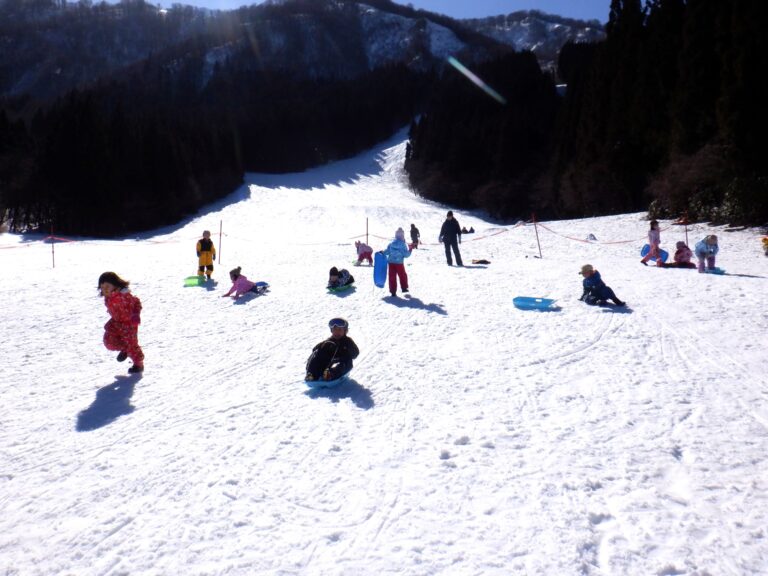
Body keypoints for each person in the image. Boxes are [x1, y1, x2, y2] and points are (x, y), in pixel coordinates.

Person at [98, 271, 144, 373]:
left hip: (129, 323)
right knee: (108, 342)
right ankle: (125, 349)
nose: (104, 289)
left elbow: (136, 302)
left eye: (107, 286)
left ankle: (138, 364)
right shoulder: (108, 296)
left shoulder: (124, 295)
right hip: (116, 322)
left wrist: (136, 314)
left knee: (132, 345)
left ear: (115, 285)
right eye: (102, 287)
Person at [380, 227, 412, 297]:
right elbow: (406, 255)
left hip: (391, 263)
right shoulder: (403, 244)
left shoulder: (391, 243)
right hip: (399, 263)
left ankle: (393, 291)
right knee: (402, 275)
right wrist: (410, 250)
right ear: (402, 236)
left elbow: (387, 251)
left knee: (392, 276)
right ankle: (404, 288)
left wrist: (382, 252)